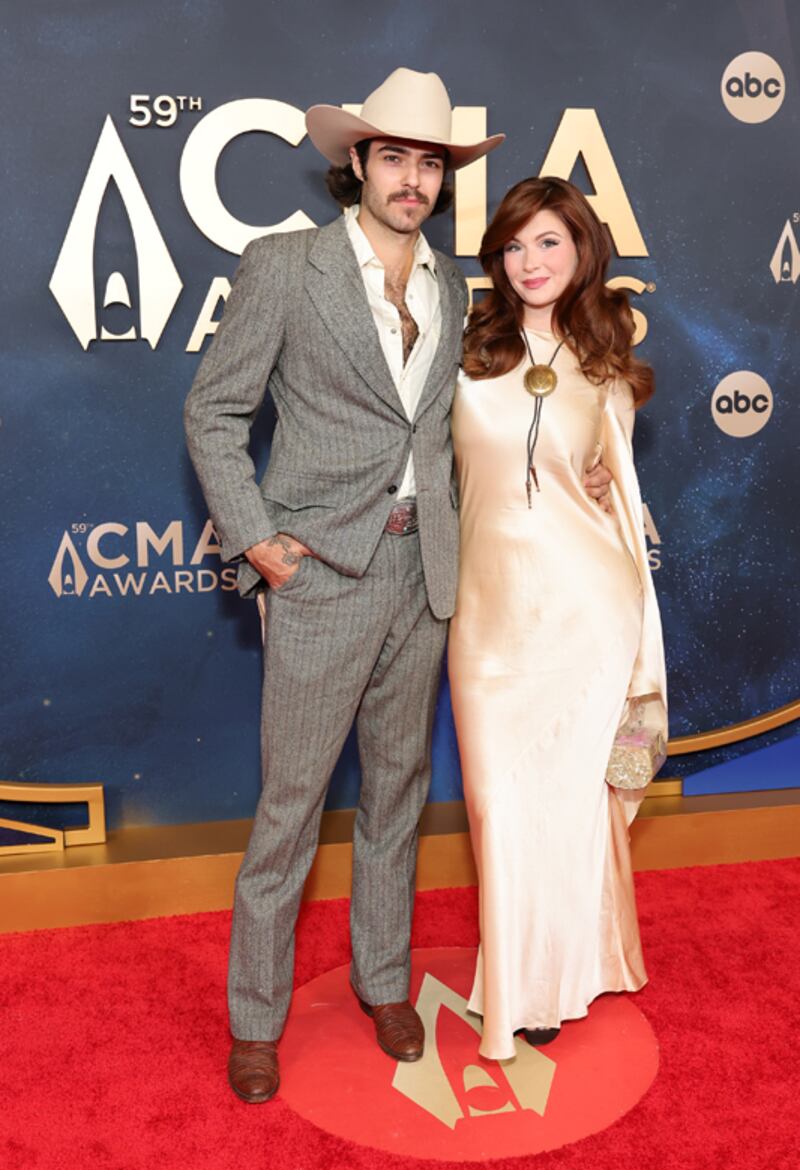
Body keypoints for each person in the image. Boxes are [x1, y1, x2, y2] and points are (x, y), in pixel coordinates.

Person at [186, 71, 608, 1102]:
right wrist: (257, 542)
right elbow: (213, 413)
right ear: (357, 164)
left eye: (428, 163)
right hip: (321, 577)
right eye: (393, 159)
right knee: (290, 810)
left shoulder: (454, 288)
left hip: (426, 577)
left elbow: (496, 415)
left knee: (396, 801)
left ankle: (383, 983)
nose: (411, 179)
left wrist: (589, 463)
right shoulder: (284, 267)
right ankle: (256, 1021)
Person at [448, 177, 668, 1061]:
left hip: (586, 609)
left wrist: (602, 479)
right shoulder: (461, 349)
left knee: (574, 803)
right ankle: (532, 973)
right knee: (500, 804)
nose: (530, 262)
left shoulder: (607, 363)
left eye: (548, 242)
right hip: (487, 618)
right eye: (513, 245)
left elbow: (616, 491)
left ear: (582, 250)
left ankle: (549, 983)